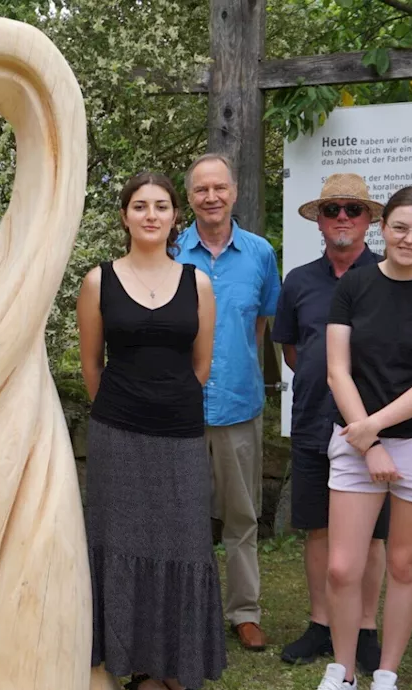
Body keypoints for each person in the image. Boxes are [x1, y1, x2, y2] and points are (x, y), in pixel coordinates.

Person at [300, 186, 412, 690]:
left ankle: (385, 681)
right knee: (343, 569)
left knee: (402, 563)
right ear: (382, 227)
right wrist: (368, 440)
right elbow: (336, 370)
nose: (409, 238)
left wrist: (372, 429)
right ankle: (344, 674)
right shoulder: (354, 284)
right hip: (356, 440)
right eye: (400, 227)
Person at [79, 171, 225, 690]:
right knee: (124, 542)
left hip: (180, 432)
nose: (150, 215)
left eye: (161, 206)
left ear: (173, 217)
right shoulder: (99, 281)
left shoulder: (198, 284)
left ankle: (177, 664)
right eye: (139, 205)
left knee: (184, 542)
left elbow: (201, 365)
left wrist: (166, 402)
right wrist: (122, 407)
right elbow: (92, 364)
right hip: (118, 432)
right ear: (124, 216)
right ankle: (141, 669)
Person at [275, 173, 390, 673]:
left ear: (369, 219)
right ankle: (322, 623)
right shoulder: (299, 280)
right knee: (317, 526)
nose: (342, 217)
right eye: (332, 210)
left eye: (353, 209)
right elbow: (293, 349)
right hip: (312, 420)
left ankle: (364, 626)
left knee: (374, 534)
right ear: (318, 221)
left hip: (373, 428)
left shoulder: (390, 276)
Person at [173, 153, 281, 652]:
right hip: (179, 410)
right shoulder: (172, 253)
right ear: (189, 197)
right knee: (184, 516)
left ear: (234, 192)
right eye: (201, 190)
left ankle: (245, 612)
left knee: (241, 516)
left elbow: (258, 326)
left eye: (219, 188)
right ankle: (186, 611)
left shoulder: (260, 253)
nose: (211, 197)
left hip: (239, 405)